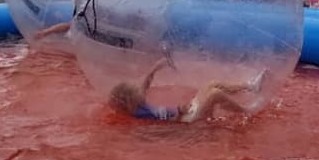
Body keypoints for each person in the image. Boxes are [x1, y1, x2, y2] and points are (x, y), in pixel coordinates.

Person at [107, 55, 267, 123]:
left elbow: (144, 85)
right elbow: (167, 115)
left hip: (187, 114)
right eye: (135, 92)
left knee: (212, 84)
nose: (139, 91)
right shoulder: (141, 112)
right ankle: (247, 111)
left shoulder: (137, 104)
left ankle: (250, 86)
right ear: (129, 101)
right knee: (215, 94)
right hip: (189, 122)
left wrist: (154, 69)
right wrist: (181, 109)